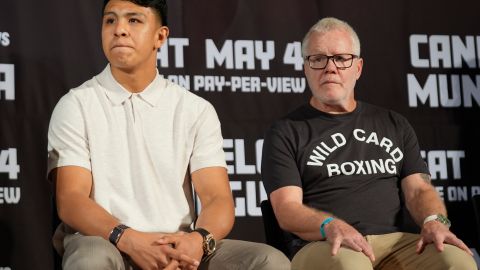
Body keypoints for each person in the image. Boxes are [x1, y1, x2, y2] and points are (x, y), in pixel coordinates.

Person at [47, 0, 290, 269]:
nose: (119, 30)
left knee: (269, 261)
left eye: (134, 20)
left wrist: (197, 241)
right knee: (90, 259)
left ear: (160, 36)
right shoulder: (76, 104)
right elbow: (71, 200)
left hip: (178, 245)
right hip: (108, 241)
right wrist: (128, 239)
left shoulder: (195, 109)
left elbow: (217, 199)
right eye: (110, 20)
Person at [261, 17, 477, 270]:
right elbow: (287, 209)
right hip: (325, 243)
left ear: (358, 67)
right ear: (306, 68)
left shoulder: (393, 123)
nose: (330, 68)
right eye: (318, 59)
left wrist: (433, 220)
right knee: (351, 266)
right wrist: (329, 224)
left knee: (458, 262)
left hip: (396, 243)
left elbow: (419, 189)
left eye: (341, 58)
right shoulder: (285, 131)